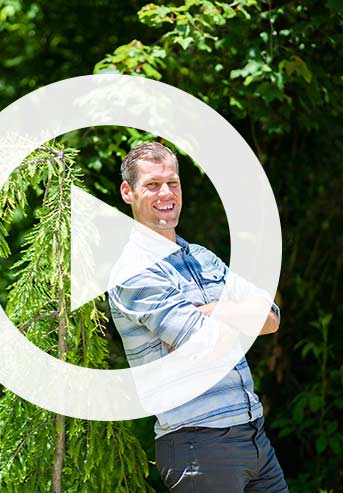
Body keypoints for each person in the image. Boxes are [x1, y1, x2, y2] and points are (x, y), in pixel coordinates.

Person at [107, 142, 288, 492]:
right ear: (127, 192)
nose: (166, 193)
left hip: (254, 437)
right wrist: (235, 319)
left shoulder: (203, 257)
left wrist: (209, 312)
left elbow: (270, 318)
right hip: (198, 446)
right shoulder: (132, 272)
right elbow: (202, 344)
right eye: (153, 184)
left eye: (173, 183)